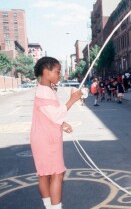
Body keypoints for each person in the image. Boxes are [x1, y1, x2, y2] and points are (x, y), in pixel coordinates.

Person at [30, 57, 82, 209]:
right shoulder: (45, 91)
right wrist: (73, 99)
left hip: (42, 136)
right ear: (46, 72)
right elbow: (56, 114)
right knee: (57, 173)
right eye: (57, 72)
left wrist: (61, 123)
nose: (59, 75)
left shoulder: (44, 89)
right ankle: (55, 207)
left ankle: (49, 205)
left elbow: (47, 114)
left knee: (44, 173)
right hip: (48, 139)